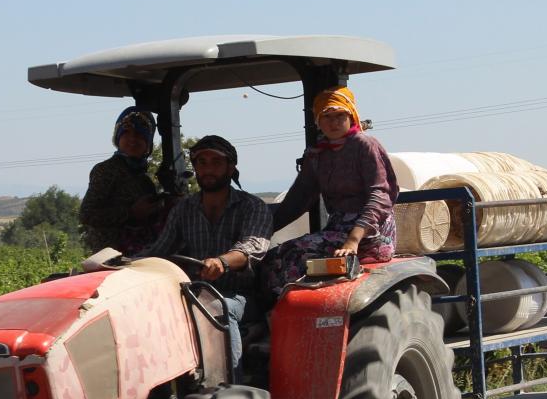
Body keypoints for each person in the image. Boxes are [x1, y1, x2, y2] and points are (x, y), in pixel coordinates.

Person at [142, 135, 272, 380]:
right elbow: (158, 250)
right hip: (193, 293)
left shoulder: (252, 206)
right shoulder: (184, 209)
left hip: (241, 298)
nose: (208, 169)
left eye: (216, 162)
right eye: (201, 163)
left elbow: (252, 247)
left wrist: (222, 262)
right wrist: (122, 265)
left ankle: (227, 387)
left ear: (231, 167)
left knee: (217, 307)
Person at [265, 86, 398, 298]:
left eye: (339, 115)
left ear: (351, 115)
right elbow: (298, 199)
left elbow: (380, 195)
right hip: (337, 230)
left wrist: (353, 239)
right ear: (318, 121)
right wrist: (263, 230)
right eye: (326, 116)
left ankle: (291, 306)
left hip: (370, 233)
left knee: (292, 254)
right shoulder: (317, 154)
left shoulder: (365, 145)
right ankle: (277, 312)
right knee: (272, 256)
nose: (333, 122)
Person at [80, 108, 174, 255]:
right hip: (110, 260)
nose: (132, 139)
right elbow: (87, 214)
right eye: (126, 133)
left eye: (139, 135)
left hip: (140, 257)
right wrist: (130, 213)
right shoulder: (106, 170)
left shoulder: (144, 180)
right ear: (118, 138)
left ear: (147, 143)